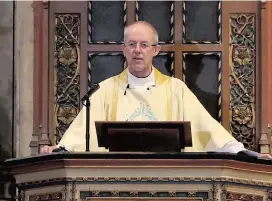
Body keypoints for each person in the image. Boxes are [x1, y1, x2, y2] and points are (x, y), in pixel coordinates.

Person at [41, 21, 272, 159]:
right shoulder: (103, 91)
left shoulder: (175, 90)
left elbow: (208, 130)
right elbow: (79, 135)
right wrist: (60, 149)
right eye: (131, 45)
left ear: (156, 50)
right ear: (123, 49)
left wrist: (245, 154)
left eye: (144, 45)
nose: (137, 51)